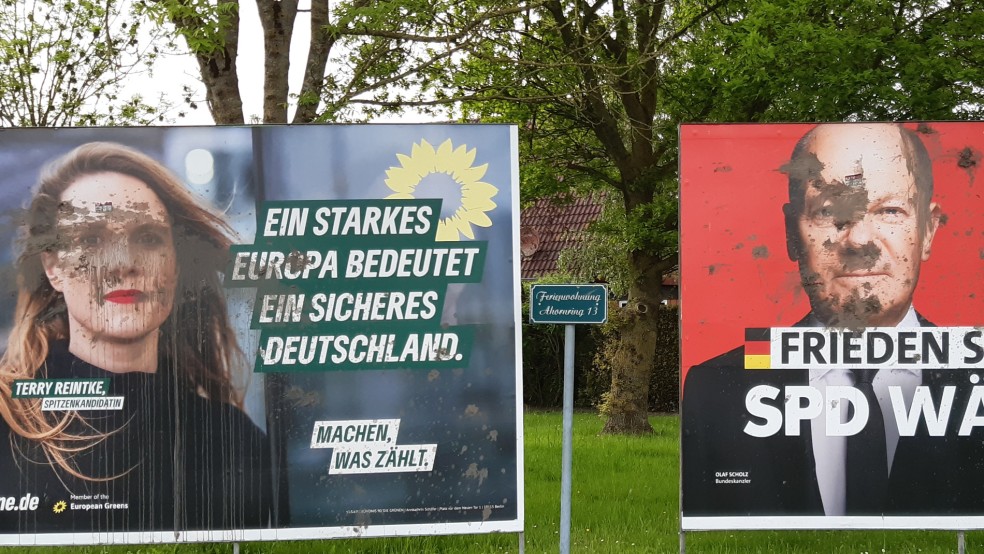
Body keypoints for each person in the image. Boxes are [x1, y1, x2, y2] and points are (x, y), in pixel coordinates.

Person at [682, 123, 980, 517]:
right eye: (828, 211)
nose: (859, 240)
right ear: (792, 232)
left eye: (890, 210)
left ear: (927, 229)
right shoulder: (716, 387)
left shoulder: (974, 376)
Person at [0, 143, 273, 533]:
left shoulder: (234, 442)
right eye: (92, 240)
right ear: (54, 268)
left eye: (148, 238)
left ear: (176, 265)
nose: (124, 264)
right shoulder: (9, 423)